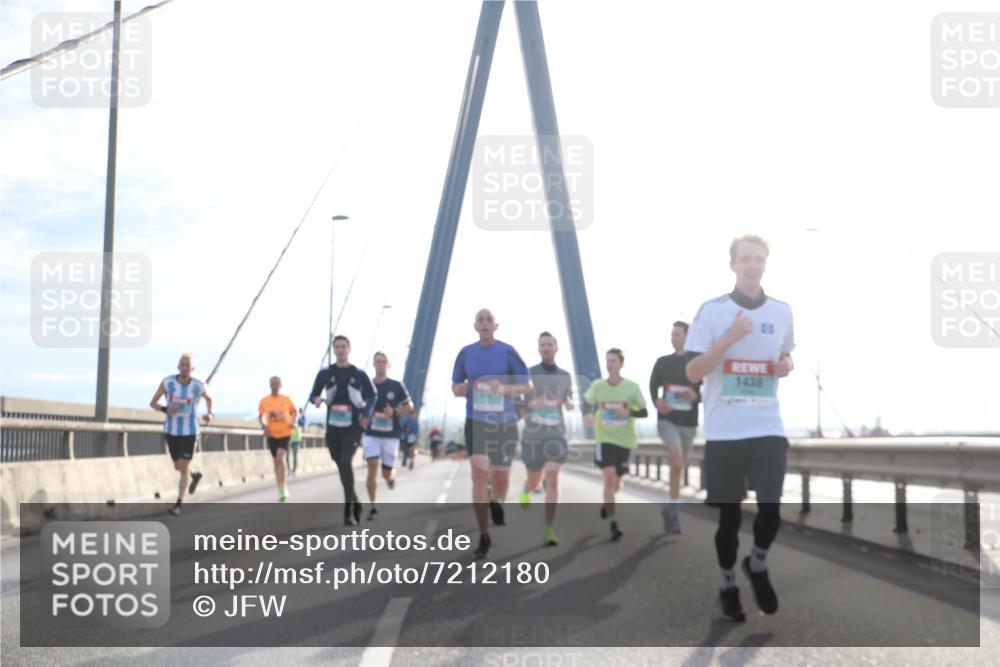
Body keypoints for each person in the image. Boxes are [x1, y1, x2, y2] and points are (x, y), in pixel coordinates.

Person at [685, 234, 795, 622]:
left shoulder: (782, 311)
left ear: (766, 263)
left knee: (771, 509)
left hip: (767, 426)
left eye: (758, 259)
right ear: (732, 265)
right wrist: (731, 337)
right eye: (745, 259)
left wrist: (786, 366)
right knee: (729, 519)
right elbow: (693, 371)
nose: (752, 265)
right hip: (725, 432)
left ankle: (758, 564)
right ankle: (728, 583)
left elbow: (784, 357)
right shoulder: (712, 312)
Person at [451, 308, 531, 558]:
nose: (485, 324)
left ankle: (496, 501)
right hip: (476, 421)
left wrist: (503, 388)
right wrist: (466, 388)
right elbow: (455, 388)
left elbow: (527, 386)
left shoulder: (507, 351)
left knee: (501, 480)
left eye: (489, 320)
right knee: (478, 475)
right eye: (480, 320)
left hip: (504, 423)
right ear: (475, 326)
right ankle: (484, 535)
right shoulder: (466, 353)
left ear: (496, 326)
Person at [309, 335, 377, 526]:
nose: (340, 350)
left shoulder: (359, 374)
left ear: (349, 349)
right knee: (341, 464)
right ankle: (355, 499)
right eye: (337, 347)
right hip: (333, 427)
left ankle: (348, 511)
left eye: (343, 347)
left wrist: (367, 412)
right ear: (334, 350)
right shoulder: (325, 373)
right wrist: (316, 400)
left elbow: (372, 395)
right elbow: (313, 394)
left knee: (346, 461)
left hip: (353, 426)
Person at [583, 348, 647, 542]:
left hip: (625, 441)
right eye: (608, 361)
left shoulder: (632, 387)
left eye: (613, 361)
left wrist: (628, 413)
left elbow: (644, 412)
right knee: (609, 479)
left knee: (617, 483)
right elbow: (586, 403)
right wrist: (586, 414)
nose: (610, 364)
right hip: (604, 439)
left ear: (621, 364)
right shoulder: (598, 386)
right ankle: (613, 524)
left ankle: (606, 504)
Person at [518, 331, 574, 547]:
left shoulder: (565, 375)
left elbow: (567, 396)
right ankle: (526, 490)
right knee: (534, 480)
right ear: (539, 348)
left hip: (556, 435)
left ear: (556, 348)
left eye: (550, 344)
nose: (547, 348)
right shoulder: (528, 373)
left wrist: (569, 403)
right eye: (543, 345)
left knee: (552, 479)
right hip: (533, 436)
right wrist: (532, 404)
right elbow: (517, 405)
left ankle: (549, 529)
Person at [649, 321, 702, 533]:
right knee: (677, 459)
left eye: (677, 334)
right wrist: (657, 402)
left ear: (687, 337)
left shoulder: (698, 363)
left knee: (678, 467)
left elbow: (708, 390)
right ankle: (675, 512)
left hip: (689, 423)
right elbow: (653, 386)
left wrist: (695, 396)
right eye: (672, 334)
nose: (673, 337)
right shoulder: (662, 362)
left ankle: (672, 508)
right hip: (667, 420)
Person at [149, 353, 213, 516]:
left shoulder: (198, 385)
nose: (185, 368)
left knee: (183, 465)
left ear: (192, 369)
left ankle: (178, 504)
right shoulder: (168, 382)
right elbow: (153, 402)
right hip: (172, 430)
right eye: (182, 365)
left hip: (190, 430)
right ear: (178, 367)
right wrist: (165, 409)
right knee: (178, 466)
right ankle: (195, 475)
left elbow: (209, 399)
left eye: (188, 366)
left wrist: (209, 413)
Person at [363, 352, 413, 520]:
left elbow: (409, 406)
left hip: (391, 434)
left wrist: (395, 411)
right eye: (377, 362)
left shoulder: (396, 386)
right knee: (372, 465)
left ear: (388, 365)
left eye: (383, 362)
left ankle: (390, 478)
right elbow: (358, 404)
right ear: (374, 364)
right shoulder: (367, 385)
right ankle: (374, 505)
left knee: (385, 473)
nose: (380, 364)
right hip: (371, 432)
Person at [258, 376, 297, 502]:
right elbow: (262, 417)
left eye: (277, 384)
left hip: (285, 433)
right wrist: (264, 426)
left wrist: (293, 422)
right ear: (270, 385)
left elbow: (294, 412)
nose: (274, 386)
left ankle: (284, 488)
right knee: (276, 461)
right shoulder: (264, 401)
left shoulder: (286, 399)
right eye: (272, 384)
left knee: (280, 457)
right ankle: (281, 488)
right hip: (272, 434)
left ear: (280, 385)